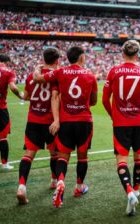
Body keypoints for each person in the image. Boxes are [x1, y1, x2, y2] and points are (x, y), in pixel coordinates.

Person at [33, 46, 98, 208]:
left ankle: (60, 181)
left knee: (63, 156)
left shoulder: (60, 72)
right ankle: (78, 187)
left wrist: (36, 69)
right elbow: (94, 101)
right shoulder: (90, 75)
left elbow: (39, 79)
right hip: (84, 121)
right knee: (82, 157)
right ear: (81, 58)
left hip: (65, 121)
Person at [103, 40, 140, 216]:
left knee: (121, 160)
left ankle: (128, 191)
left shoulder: (113, 71)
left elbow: (105, 100)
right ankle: (135, 189)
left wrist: (113, 115)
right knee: (139, 157)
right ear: (138, 54)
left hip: (120, 123)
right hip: (138, 122)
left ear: (122, 53)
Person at [16, 48, 61, 205]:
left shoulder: (31, 76)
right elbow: (57, 97)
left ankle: (21, 187)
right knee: (54, 153)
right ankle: (54, 181)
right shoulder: (55, 77)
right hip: (50, 121)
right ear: (57, 61)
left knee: (28, 155)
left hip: (33, 120)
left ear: (43, 59)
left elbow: (26, 97)